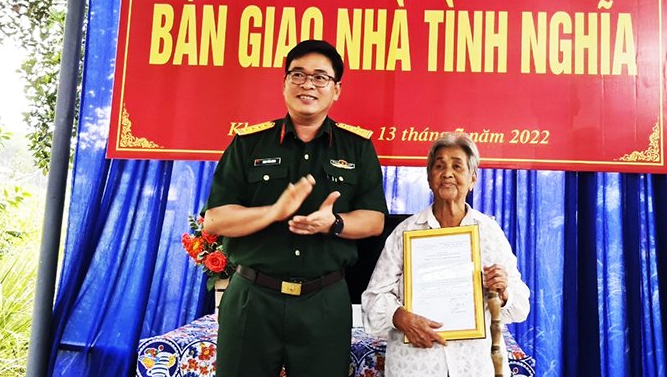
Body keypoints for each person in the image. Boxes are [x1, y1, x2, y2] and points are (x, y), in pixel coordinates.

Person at [203, 39, 388, 377]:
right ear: (284, 83)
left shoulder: (357, 148)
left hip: (324, 302)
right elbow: (214, 220)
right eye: (298, 74)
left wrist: (334, 223)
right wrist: (273, 212)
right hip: (252, 299)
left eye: (320, 77)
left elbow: (374, 220)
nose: (308, 84)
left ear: (336, 89)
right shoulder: (248, 144)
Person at [361, 133, 530, 377]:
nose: (447, 173)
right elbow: (372, 302)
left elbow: (521, 307)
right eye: (439, 166)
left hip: (473, 365)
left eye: (457, 166)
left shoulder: (489, 232)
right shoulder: (405, 233)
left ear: (472, 179)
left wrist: (504, 293)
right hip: (416, 366)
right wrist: (399, 317)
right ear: (429, 178)